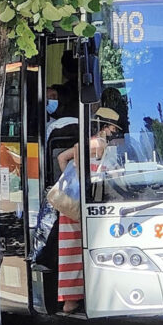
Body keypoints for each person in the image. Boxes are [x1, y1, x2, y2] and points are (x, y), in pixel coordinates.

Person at [52, 108, 122, 314]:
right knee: (87, 246)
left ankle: (70, 300)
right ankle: (81, 297)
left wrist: (71, 181)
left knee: (71, 251)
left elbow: (62, 159)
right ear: (105, 127)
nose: (113, 132)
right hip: (88, 200)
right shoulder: (98, 143)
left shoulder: (92, 142)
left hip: (71, 202)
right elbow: (78, 150)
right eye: (112, 128)